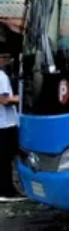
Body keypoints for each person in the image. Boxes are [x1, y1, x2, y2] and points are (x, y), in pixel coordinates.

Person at [0, 54, 22, 198]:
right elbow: (4, 100)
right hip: (6, 124)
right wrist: (20, 98)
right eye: (4, 56)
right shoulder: (1, 76)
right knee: (7, 159)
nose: (7, 59)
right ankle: (7, 191)